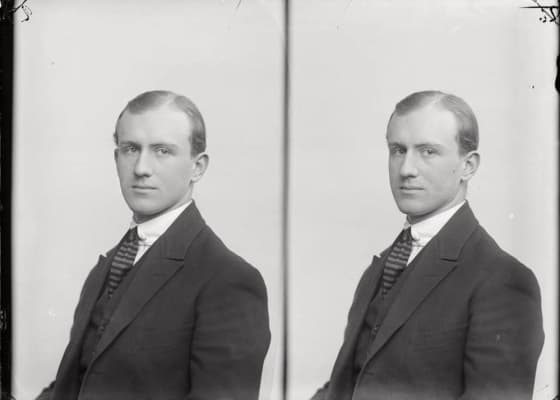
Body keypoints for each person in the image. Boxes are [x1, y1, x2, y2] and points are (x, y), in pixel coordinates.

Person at [36, 90, 271, 400]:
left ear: (198, 167)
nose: (141, 168)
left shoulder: (228, 280)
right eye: (131, 149)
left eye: (162, 151)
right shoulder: (107, 267)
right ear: (116, 158)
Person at [312, 90, 544, 400]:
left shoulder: (502, 280)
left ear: (468, 166)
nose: (406, 169)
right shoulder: (381, 268)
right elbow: (345, 387)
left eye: (428, 152)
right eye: (398, 150)